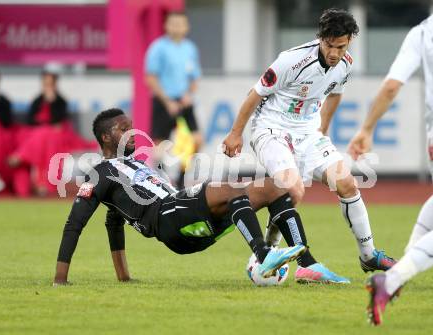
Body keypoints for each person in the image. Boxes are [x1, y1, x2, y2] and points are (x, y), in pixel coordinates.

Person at [222, 8, 396, 284]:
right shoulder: (291, 61)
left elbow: (335, 94)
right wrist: (235, 134)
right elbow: (254, 95)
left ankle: (368, 255)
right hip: (272, 128)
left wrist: (321, 131)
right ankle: (279, 255)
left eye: (341, 46)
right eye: (330, 45)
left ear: (349, 40)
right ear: (321, 39)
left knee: (347, 184)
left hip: (308, 133)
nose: (334, 53)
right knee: (293, 189)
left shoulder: (345, 63)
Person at [53, 108, 307, 285]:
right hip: (168, 217)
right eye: (123, 129)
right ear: (106, 137)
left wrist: (124, 277)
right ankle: (265, 255)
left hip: (191, 225)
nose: (131, 133)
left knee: (276, 187)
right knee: (228, 188)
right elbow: (74, 224)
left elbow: (114, 222)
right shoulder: (100, 173)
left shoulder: (138, 166)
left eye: (132, 128)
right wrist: (60, 279)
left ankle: (307, 264)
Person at [346, 15, 433, 326]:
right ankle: (393, 279)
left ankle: (405, 267)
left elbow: (391, 86)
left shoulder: (421, 32)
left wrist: (367, 128)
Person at [8, 70, 97, 196]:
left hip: (56, 138)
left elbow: (58, 121)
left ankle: (21, 156)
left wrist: (52, 102)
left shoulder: (60, 101)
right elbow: (31, 121)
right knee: (40, 135)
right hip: (39, 137)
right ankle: (38, 180)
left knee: (46, 137)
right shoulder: (37, 101)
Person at [145, 11, 202, 189]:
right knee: (160, 143)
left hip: (184, 100)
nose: (177, 27)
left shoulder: (190, 48)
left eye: (180, 24)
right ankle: (159, 179)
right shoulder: (158, 47)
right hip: (164, 100)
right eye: (173, 23)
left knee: (197, 139)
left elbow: (194, 77)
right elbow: (151, 77)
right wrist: (167, 100)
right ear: (166, 26)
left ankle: (182, 178)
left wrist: (188, 94)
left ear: (187, 27)